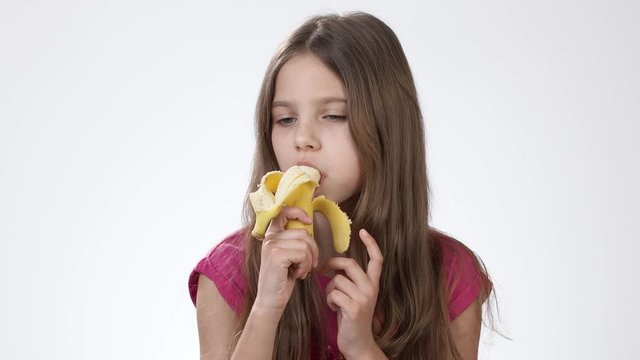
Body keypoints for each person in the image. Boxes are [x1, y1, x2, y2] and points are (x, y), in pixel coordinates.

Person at [188, 11, 496, 360]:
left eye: (333, 115)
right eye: (285, 119)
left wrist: (363, 349)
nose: (303, 139)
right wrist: (265, 313)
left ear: (386, 127)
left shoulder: (449, 274)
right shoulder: (228, 274)